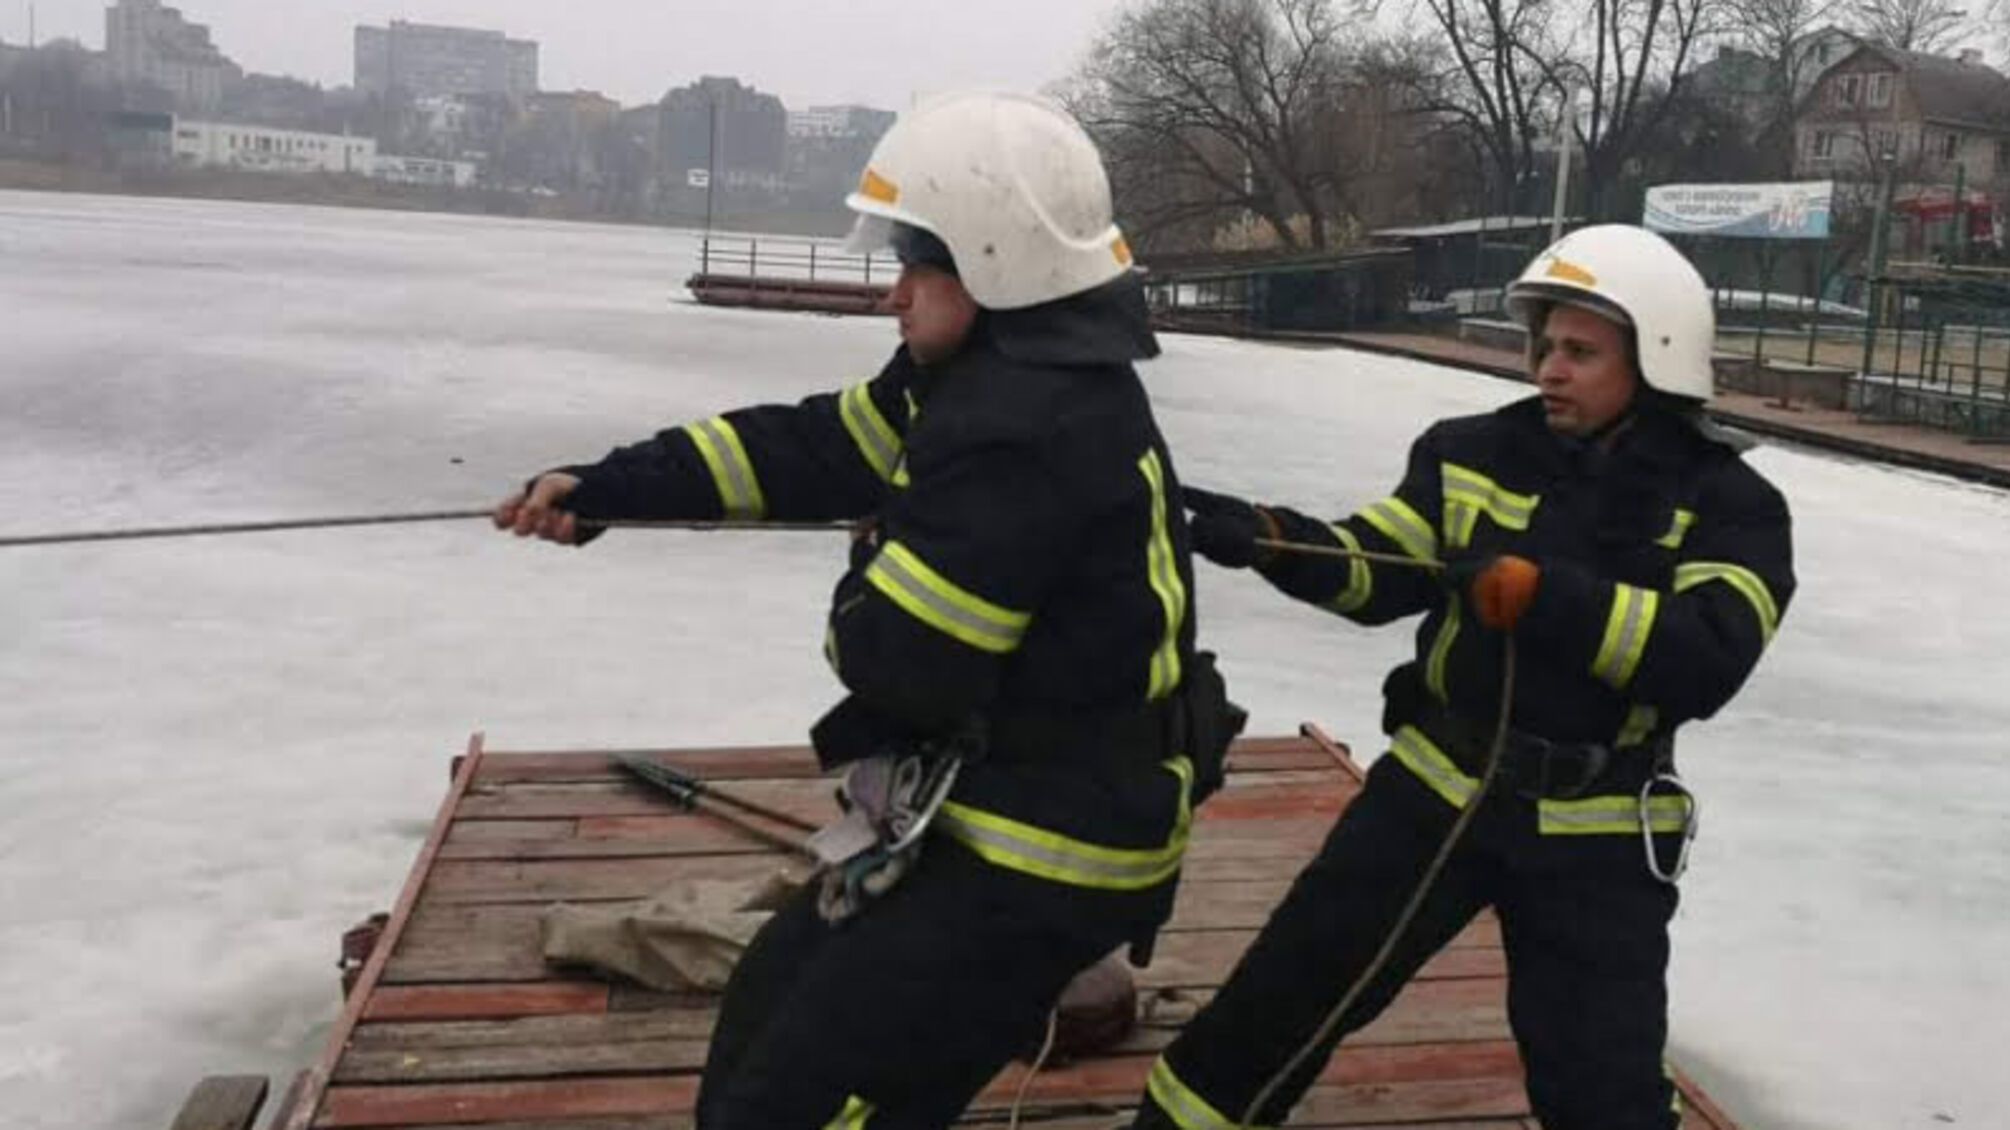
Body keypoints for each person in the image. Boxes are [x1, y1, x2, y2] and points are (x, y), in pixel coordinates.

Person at [495, 91, 1236, 1129]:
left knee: (805, 1100)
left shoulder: (1023, 427)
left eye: (913, 264)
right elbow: (818, 447)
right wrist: (612, 485)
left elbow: (899, 662)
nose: (893, 295)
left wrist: (870, 556)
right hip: (1000, 804)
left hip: (1047, 850)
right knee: (764, 1009)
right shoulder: (987, 381)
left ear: (992, 263)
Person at [1131, 225, 1796, 1130]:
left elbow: (1707, 656)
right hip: (1437, 790)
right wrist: (1270, 537)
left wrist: (1546, 597)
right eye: (1544, 347)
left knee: (1602, 1085)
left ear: (1658, 359)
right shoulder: (1473, 451)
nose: (1548, 370)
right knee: (1280, 1003)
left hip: (1596, 829)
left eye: (1580, 353)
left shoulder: (1730, 505)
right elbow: (1383, 567)